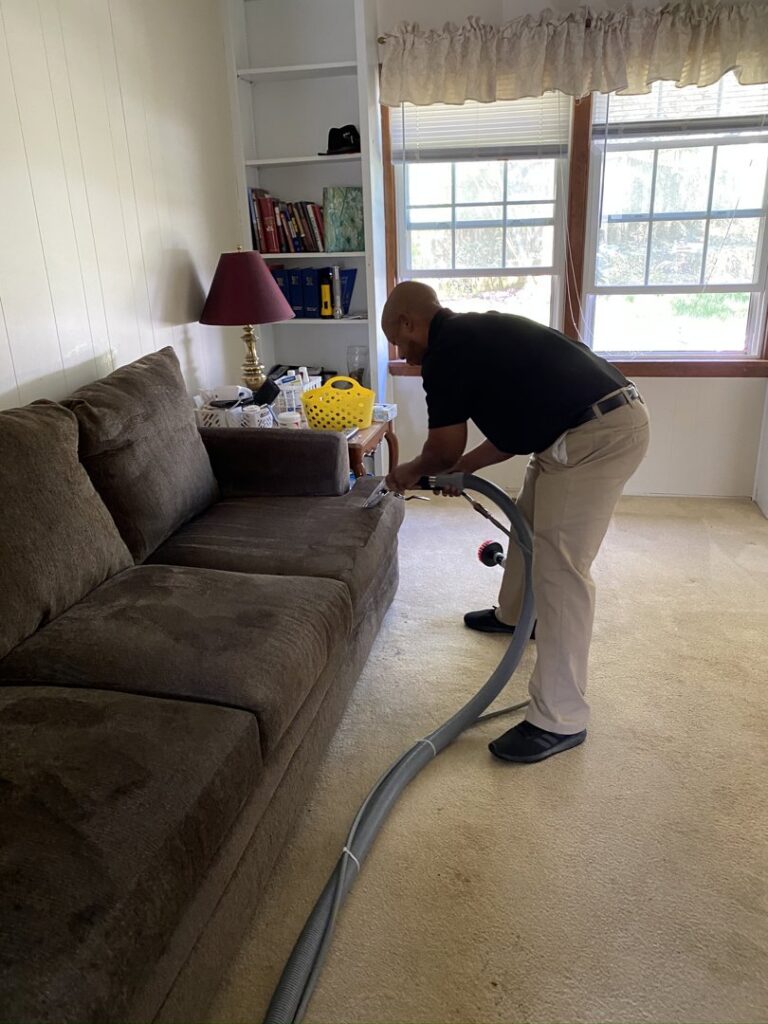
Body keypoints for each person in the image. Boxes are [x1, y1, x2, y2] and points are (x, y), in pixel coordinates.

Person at [381, 282, 650, 764]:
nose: (405, 355)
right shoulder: (475, 336)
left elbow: (440, 449)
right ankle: (514, 617)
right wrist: (461, 470)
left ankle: (560, 718)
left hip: (597, 435)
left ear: (407, 321)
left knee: (560, 569)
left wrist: (407, 472)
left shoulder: (447, 349)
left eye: (399, 343)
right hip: (574, 429)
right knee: (527, 524)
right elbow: (511, 436)